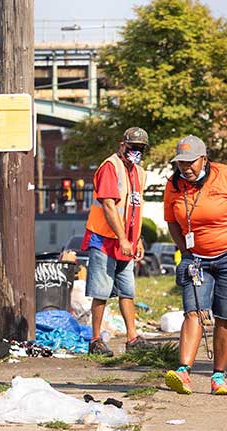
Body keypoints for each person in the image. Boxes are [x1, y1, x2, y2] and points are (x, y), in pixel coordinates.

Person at [164, 135, 227, 396]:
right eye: (181, 163)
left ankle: (218, 377)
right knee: (193, 311)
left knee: (226, 316)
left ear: (204, 159)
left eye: (190, 162)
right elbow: (172, 221)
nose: (185, 168)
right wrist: (185, 249)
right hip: (197, 258)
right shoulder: (174, 185)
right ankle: (183, 372)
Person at [82, 127, 153, 356]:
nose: (136, 152)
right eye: (133, 147)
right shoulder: (110, 167)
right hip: (104, 239)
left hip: (127, 243)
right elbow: (109, 205)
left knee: (127, 290)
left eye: (140, 149)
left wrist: (137, 239)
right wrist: (123, 238)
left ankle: (132, 338)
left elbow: (135, 209)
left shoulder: (139, 173)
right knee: (101, 292)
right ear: (122, 145)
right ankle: (95, 340)